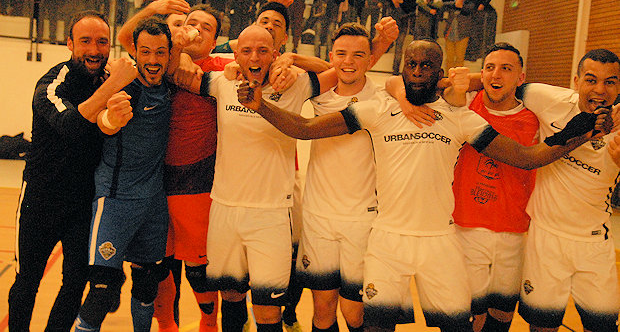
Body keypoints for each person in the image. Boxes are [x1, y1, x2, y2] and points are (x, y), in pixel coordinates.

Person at [236, 39, 611, 332]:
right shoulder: (377, 110)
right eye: (411, 64)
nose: (417, 71)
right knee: (376, 324)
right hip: (387, 241)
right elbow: (304, 129)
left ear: (439, 72)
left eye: (426, 65)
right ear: (401, 69)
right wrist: (260, 106)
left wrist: (579, 136)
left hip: (440, 242)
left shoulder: (461, 119)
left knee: (455, 325)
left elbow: (527, 158)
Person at [179, 25, 338, 332]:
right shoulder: (222, 82)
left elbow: (337, 70)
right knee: (231, 297)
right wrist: (184, 54)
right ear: (234, 55)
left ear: (273, 55)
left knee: (267, 313)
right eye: (247, 51)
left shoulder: (297, 84)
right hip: (225, 210)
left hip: (271, 216)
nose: (255, 57)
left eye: (263, 51)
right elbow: (173, 71)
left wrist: (293, 59)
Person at [8, 11, 132, 332]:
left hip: (84, 203)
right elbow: (73, 125)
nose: (94, 50)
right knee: (28, 279)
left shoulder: (109, 80)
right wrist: (113, 85)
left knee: (76, 281)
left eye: (102, 41)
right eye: (86, 41)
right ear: (69, 44)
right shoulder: (51, 84)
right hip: (41, 199)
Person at [117, 0, 235, 332]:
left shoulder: (218, 69)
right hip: (154, 180)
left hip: (196, 179)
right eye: (188, 23)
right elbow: (128, 38)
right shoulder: (160, 59)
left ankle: (208, 323)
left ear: (214, 42)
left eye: (205, 27)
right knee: (160, 262)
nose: (195, 30)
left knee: (198, 267)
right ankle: (167, 325)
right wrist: (154, 8)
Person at [73, 16, 177, 332]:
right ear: (134, 51)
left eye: (160, 52)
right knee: (102, 292)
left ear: (170, 53)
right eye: (145, 52)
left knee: (147, 284)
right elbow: (103, 119)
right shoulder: (122, 85)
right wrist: (110, 120)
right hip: (116, 200)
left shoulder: (172, 85)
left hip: (154, 204)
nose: (153, 60)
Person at [517, 49, 620, 332]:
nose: (600, 90)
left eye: (610, 82)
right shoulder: (548, 99)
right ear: (576, 81)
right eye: (591, 80)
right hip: (546, 237)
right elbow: (499, 79)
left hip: (594, 243)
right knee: (542, 326)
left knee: (602, 327)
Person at [451, 43, 538, 332]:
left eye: (506, 68)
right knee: (470, 316)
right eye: (489, 67)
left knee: (501, 315)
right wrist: (480, 78)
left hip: (513, 231)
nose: (495, 74)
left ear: (521, 78)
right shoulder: (465, 105)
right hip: (467, 228)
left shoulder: (535, 120)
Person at [296, 22, 376, 332]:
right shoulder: (318, 96)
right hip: (319, 217)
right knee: (322, 309)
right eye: (341, 54)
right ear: (332, 57)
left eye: (358, 55)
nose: (349, 62)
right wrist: (291, 56)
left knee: (354, 313)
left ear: (370, 59)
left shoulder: (384, 99)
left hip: (362, 219)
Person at [443, 0, 473, 71]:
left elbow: (470, 12)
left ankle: (458, 76)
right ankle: (449, 76)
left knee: (460, 58)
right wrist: (455, 4)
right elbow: (443, 5)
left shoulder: (468, 7)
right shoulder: (451, 6)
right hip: (449, 35)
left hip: (462, 35)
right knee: (449, 58)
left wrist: (461, 6)